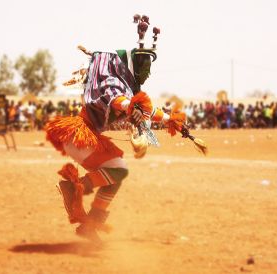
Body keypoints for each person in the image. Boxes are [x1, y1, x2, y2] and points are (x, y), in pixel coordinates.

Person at [45, 15, 188, 243]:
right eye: (144, 66)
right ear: (131, 64)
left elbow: (142, 108)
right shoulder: (112, 82)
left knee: (117, 173)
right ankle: (75, 189)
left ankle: (90, 225)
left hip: (85, 137)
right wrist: (131, 107)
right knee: (118, 170)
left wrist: (172, 120)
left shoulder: (124, 86)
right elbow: (117, 100)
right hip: (80, 136)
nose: (147, 72)